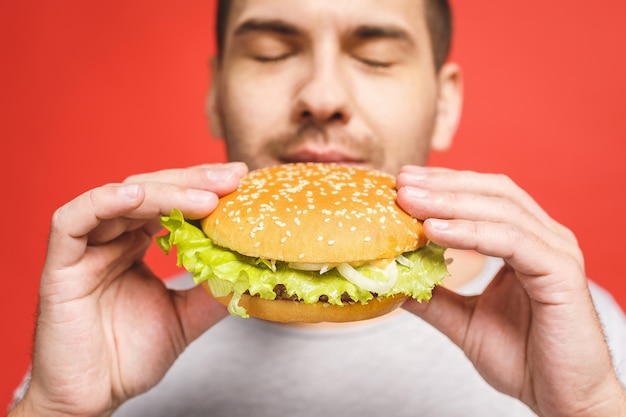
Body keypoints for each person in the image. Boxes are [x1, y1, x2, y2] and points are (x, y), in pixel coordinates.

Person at [8, 0, 626, 416]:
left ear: (444, 103)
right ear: (216, 94)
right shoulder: (108, 334)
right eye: (273, 52)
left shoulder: (574, 330)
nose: (322, 97)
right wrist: (58, 409)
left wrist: (591, 405)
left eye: (376, 56)